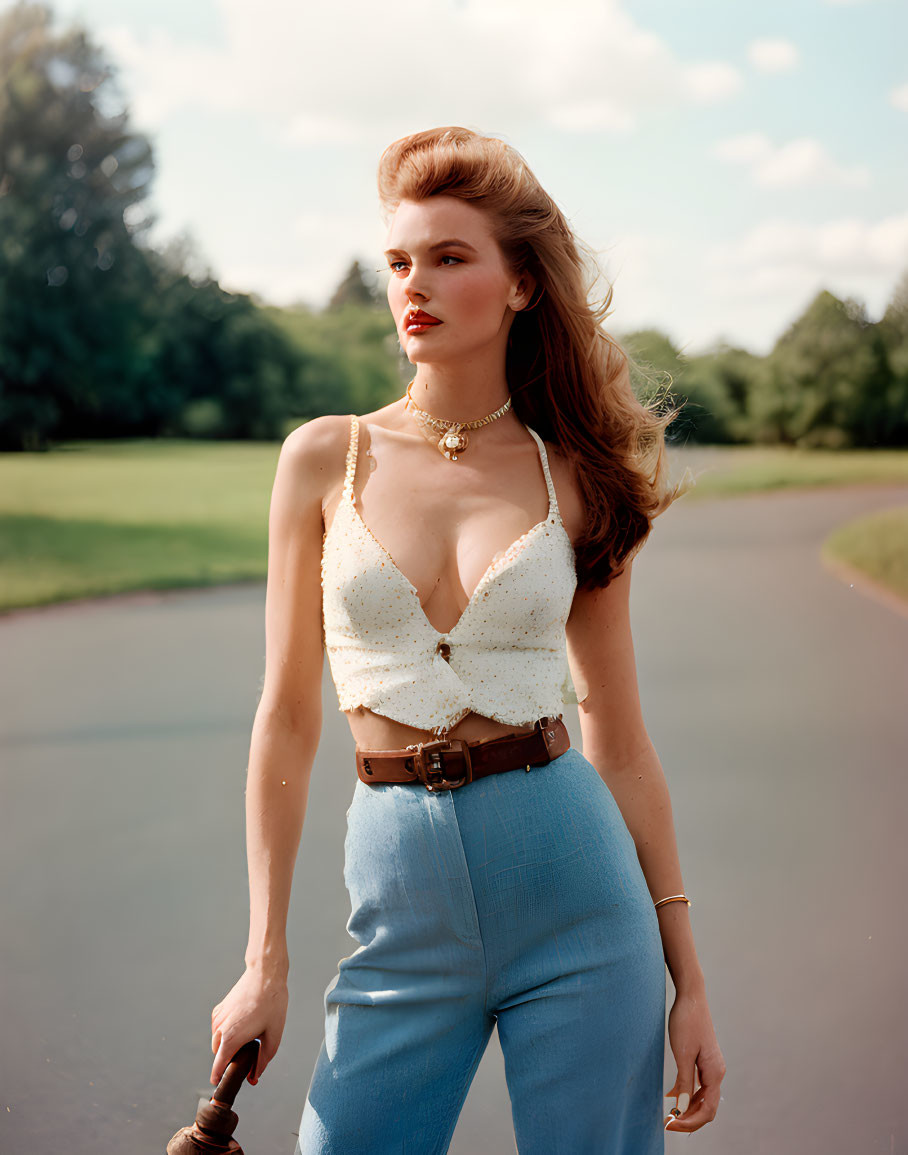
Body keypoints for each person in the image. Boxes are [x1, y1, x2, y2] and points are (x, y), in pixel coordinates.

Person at [209, 126, 725, 1153]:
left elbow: (616, 736)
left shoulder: (574, 479)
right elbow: (286, 717)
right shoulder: (322, 458)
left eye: (450, 258)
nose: (415, 285)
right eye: (399, 261)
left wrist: (689, 977)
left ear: (520, 284)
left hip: (577, 899)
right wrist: (263, 959)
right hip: (400, 915)